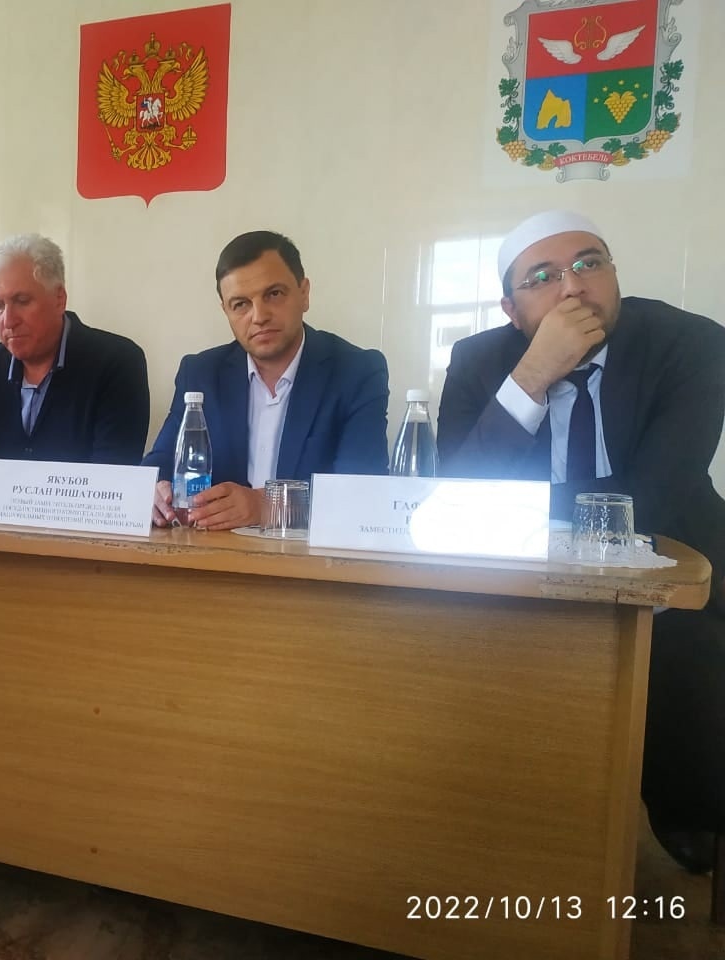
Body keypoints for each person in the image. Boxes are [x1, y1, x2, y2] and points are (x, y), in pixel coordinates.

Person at [436, 209, 725, 873]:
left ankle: (688, 807)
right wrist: (531, 377)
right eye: (543, 277)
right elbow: (457, 495)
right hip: (520, 573)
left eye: (589, 264)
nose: (573, 286)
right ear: (512, 311)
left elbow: (654, 497)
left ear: (614, 276)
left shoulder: (691, 343)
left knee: (685, 653)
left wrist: (515, 507)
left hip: (672, 559)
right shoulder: (480, 362)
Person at [144, 230, 389, 530]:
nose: (259, 316)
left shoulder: (356, 372)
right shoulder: (201, 373)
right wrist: (154, 490)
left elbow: (363, 491)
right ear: (226, 310)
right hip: (212, 551)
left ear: (304, 293)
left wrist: (267, 506)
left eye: (274, 294)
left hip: (309, 555)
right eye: (240, 304)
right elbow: (158, 464)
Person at [0, 234, 149, 492]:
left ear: (59, 299)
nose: (8, 320)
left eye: (22, 301)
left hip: (76, 521)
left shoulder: (117, 362)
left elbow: (113, 479)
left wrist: (10, 480)